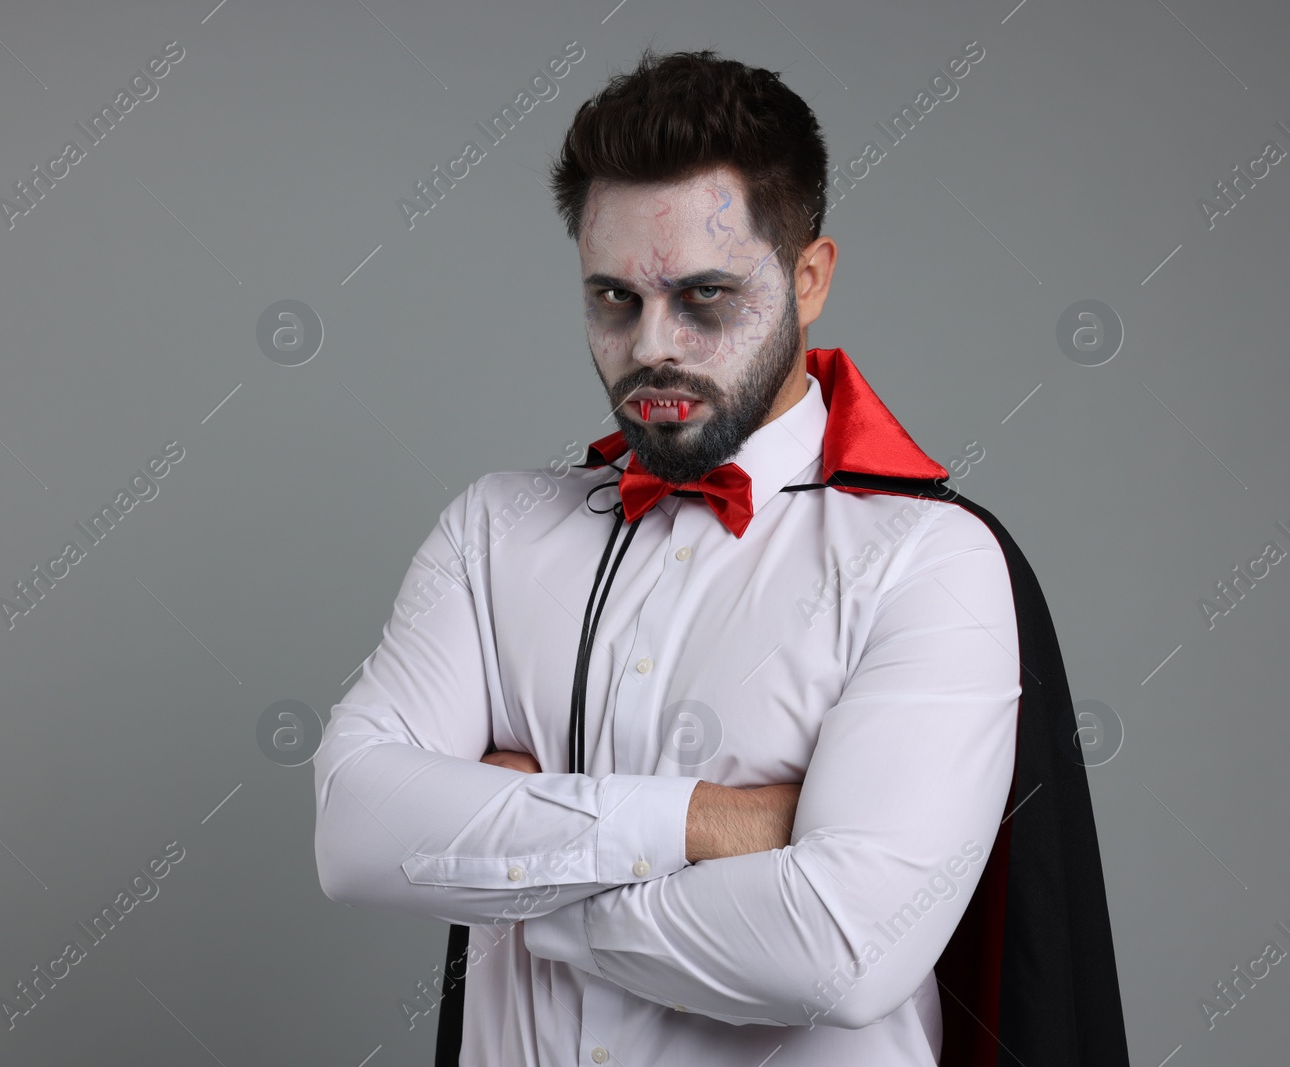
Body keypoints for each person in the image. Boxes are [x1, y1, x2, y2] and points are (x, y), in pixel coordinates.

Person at [313, 49, 1128, 1066]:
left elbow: (839, 948)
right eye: (614, 298)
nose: (653, 344)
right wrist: (709, 822)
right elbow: (353, 830)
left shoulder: (929, 560)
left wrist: (514, 869)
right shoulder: (492, 531)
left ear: (811, 276)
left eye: (704, 296)